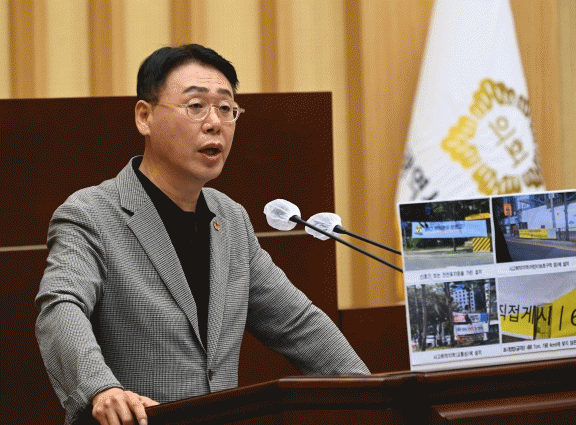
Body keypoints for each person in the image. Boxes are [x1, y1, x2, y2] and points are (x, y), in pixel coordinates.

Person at [35, 43, 369, 425]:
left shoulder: (231, 220)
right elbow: (61, 306)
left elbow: (298, 324)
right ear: (144, 117)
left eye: (226, 108)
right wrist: (101, 388)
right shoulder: (91, 214)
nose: (214, 123)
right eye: (195, 106)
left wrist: (372, 395)